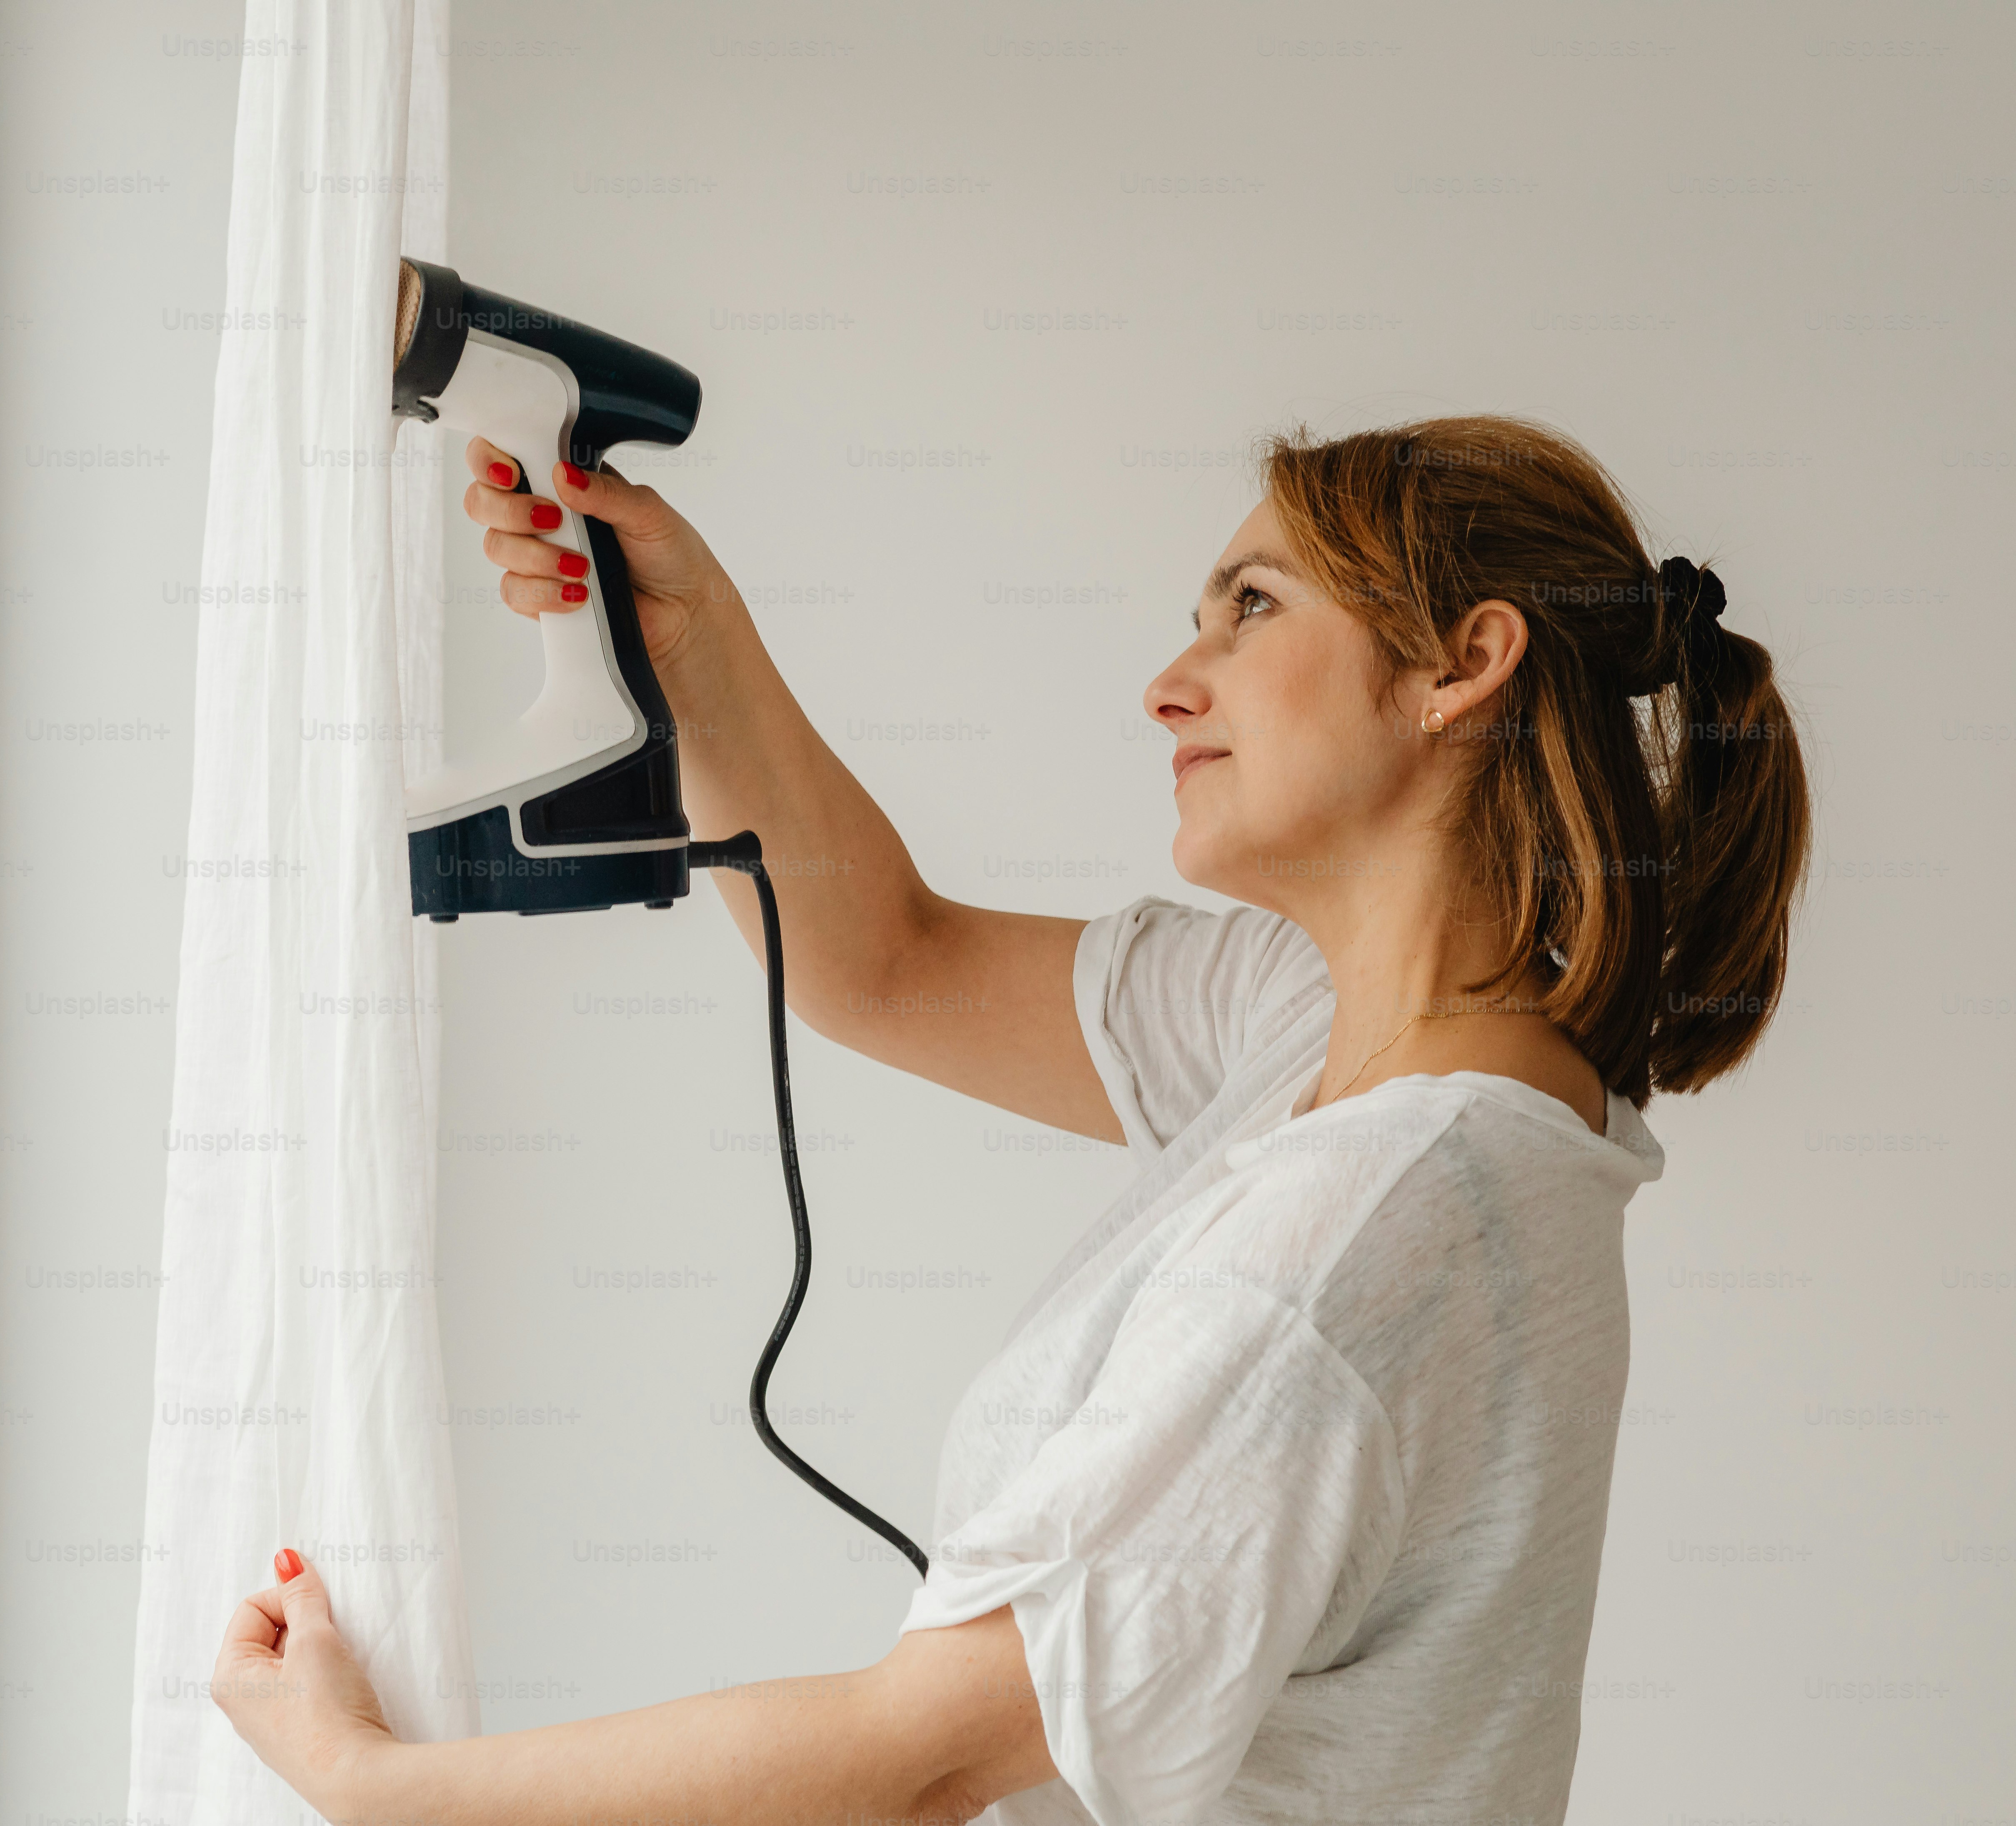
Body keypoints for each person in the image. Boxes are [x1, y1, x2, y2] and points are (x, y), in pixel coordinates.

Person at [213, 415, 1811, 1824]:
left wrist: (372, 1789)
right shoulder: (1328, 1030)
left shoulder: (1350, 1250)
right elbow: (885, 960)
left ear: (1461, 664)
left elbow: (907, 1768)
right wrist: (687, 634)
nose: (1170, 683)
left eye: (1252, 607)